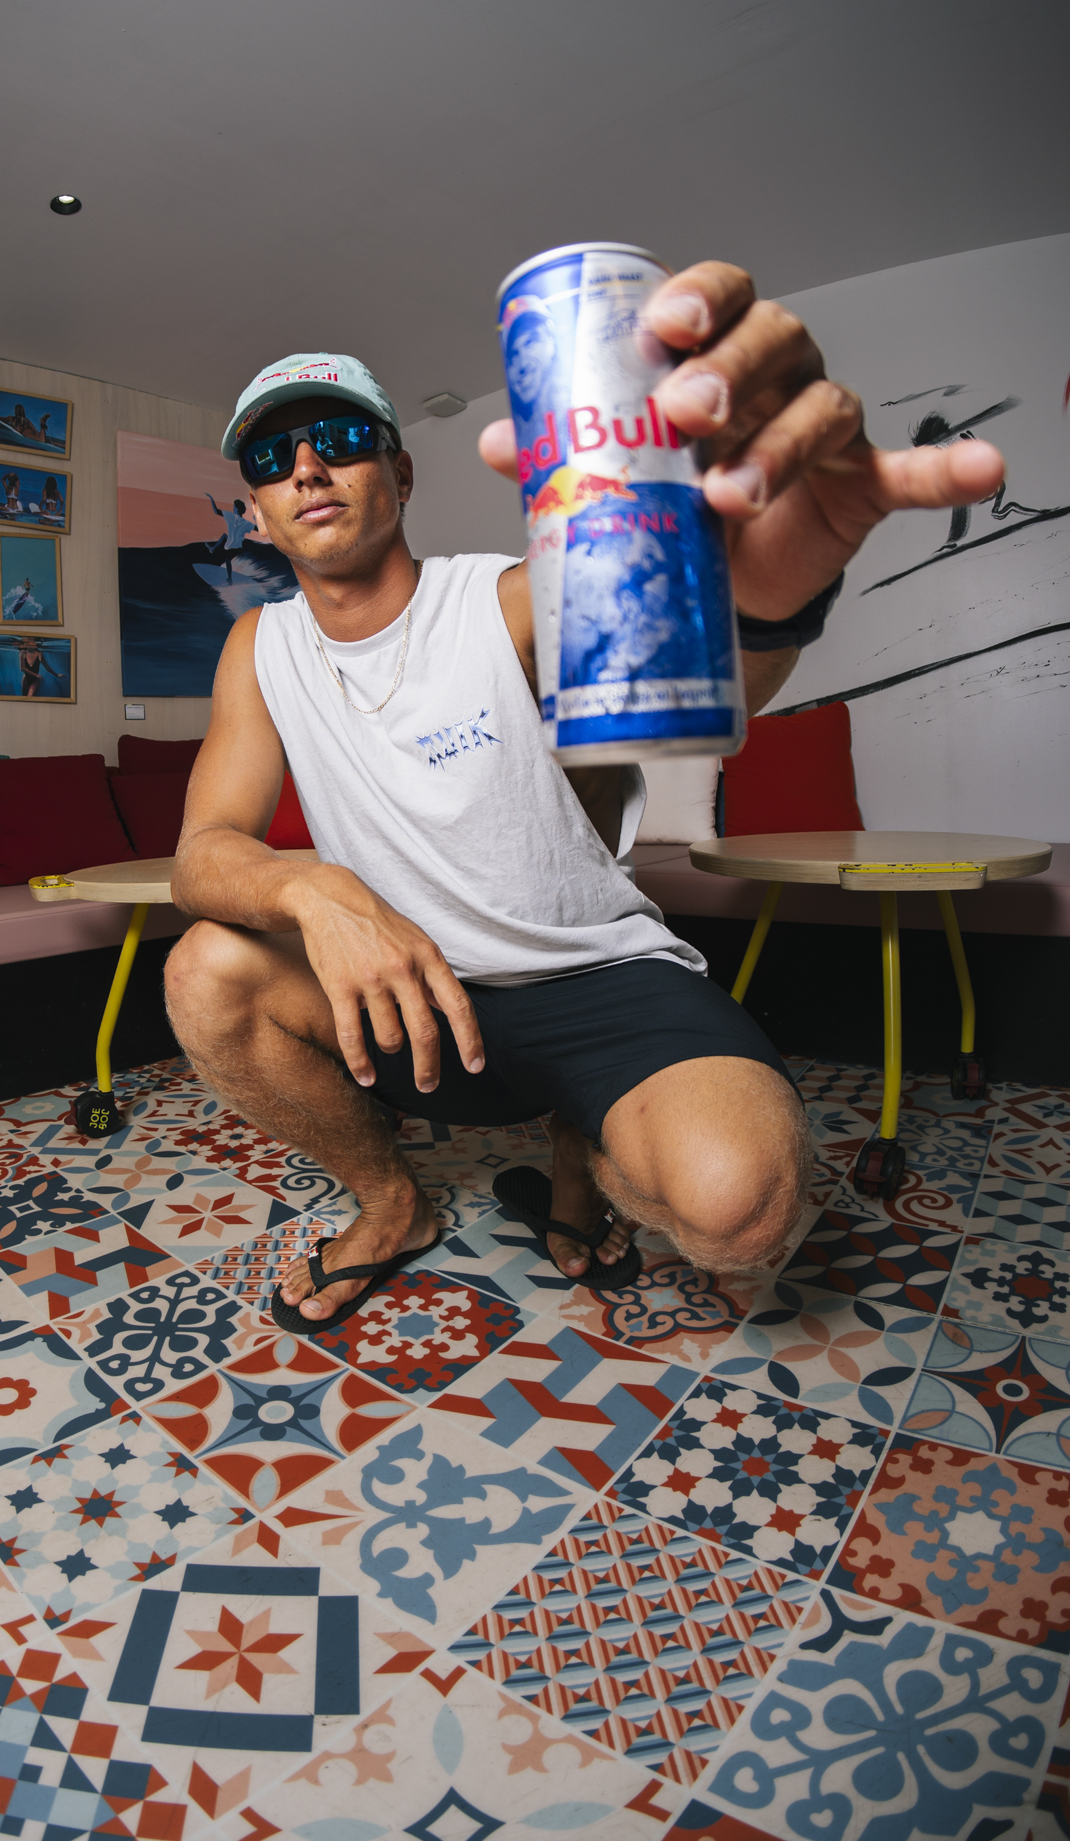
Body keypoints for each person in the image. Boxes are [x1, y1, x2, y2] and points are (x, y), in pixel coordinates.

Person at [164, 262, 1005, 1333]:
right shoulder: (259, 646)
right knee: (204, 973)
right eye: (273, 459)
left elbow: (675, 683)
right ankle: (392, 1205)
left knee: (742, 1210)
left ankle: (580, 1144)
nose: (307, 469)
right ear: (257, 509)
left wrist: (765, 609)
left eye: (339, 439)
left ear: (401, 471)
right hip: (415, 985)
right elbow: (203, 852)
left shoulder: (508, 598)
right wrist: (319, 890)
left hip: (590, 974)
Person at [206, 491, 257, 582]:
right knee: (224, 536)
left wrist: (211, 498)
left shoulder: (230, 516)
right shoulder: (246, 523)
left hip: (230, 546)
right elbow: (258, 529)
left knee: (227, 558)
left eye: (234, 507)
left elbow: (216, 511)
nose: (233, 508)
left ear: (237, 509)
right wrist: (255, 519)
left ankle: (229, 578)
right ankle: (213, 548)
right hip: (239, 548)